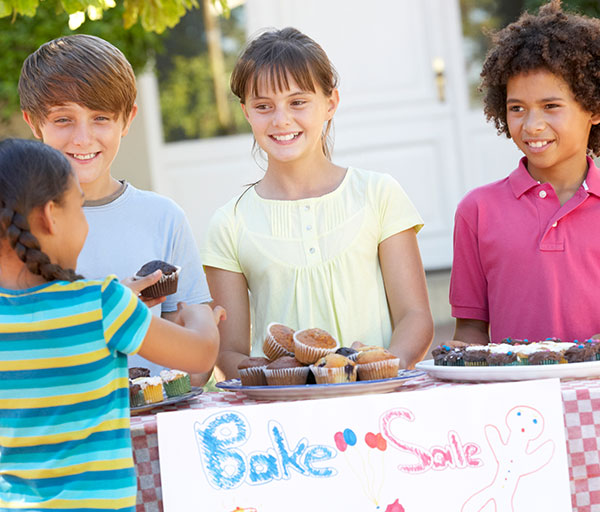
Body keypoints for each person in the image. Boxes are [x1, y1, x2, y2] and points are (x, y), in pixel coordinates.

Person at [0, 138, 224, 512]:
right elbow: (201, 358)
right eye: (77, 206)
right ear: (49, 217)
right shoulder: (100, 304)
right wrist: (199, 311)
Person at [203, 27, 433, 379]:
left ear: (330, 103)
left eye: (297, 102)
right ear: (246, 112)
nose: (281, 120)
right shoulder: (229, 223)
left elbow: (414, 317)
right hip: (284, 416)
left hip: (375, 403)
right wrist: (279, 382)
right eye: (263, 106)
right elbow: (229, 351)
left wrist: (381, 370)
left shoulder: (379, 194)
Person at [19, 34, 214, 382]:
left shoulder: (163, 218)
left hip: (156, 426)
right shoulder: (15, 228)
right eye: (63, 119)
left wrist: (201, 327)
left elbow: (195, 363)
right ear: (34, 122)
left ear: (127, 120)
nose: (82, 138)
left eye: (101, 118)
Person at [450, 0, 600, 344]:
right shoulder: (477, 211)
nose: (532, 125)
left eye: (551, 107)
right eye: (517, 108)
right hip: (516, 397)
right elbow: (471, 330)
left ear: (593, 108)